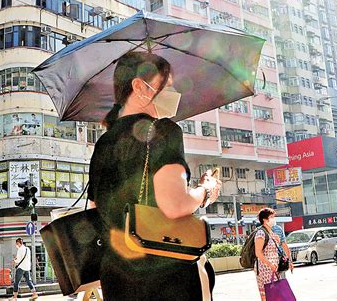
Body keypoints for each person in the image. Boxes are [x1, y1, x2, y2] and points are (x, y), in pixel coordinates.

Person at [87, 52, 222, 300]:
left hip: (116, 278)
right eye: (168, 85)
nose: (175, 94)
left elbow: (95, 209)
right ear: (139, 86)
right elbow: (174, 205)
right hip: (165, 274)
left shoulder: (102, 144)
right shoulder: (164, 130)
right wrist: (205, 190)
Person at [254, 208, 281, 301]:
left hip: (273, 268)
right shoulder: (261, 233)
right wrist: (270, 264)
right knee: (267, 296)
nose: (274, 219)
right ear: (265, 220)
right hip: (264, 269)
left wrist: (278, 241)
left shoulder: (271, 233)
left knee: (276, 295)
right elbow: (258, 253)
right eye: (272, 217)